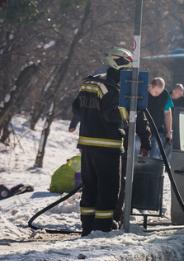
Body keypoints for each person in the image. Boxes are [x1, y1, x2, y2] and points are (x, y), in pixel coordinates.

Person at [70, 47, 150, 235]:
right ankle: (102, 228)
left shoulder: (89, 83)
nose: (129, 73)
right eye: (128, 68)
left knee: (90, 187)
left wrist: (90, 119)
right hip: (107, 146)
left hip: (87, 146)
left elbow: (76, 108)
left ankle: (87, 226)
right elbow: (112, 115)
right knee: (108, 188)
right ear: (120, 64)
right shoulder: (112, 89)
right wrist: (128, 111)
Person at [146, 77, 173, 158]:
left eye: (160, 92)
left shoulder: (165, 95)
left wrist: (169, 132)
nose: (158, 94)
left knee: (156, 154)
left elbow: (168, 114)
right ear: (150, 86)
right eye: (156, 92)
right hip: (141, 130)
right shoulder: (142, 93)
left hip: (157, 130)